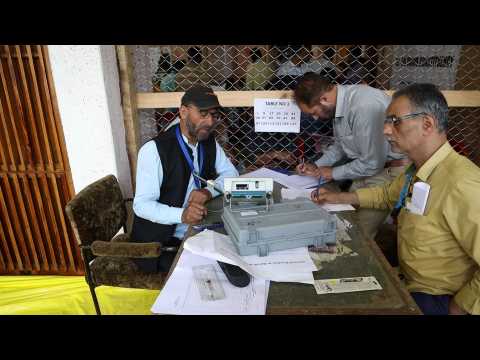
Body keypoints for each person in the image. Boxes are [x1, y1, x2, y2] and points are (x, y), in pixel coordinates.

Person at [311, 83, 480, 315]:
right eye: (386, 121)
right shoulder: (417, 171)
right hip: (409, 281)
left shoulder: (461, 182)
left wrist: (458, 309)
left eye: (395, 121)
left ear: (427, 124)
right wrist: (337, 196)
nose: (386, 130)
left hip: (439, 297)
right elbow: (384, 194)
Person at [131, 85, 239, 273]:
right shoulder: (154, 150)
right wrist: (181, 215)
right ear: (183, 112)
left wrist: (207, 191)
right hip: (163, 244)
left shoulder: (207, 140)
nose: (210, 121)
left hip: (199, 227)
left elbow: (232, 174)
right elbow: (141, 205)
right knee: (208, 275)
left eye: (214, 115)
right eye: (203, 114)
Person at [294, 72, 410, 240]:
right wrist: (317, 166)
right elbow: (341, 145)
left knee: (358, 235)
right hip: (364, 170)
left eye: (313, 112)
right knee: (346, 220)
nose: (314, 117)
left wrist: (332, 173)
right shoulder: (339, 105)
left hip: (388, 171)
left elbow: (373, 162)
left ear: (324, 99)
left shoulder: (363, 105)